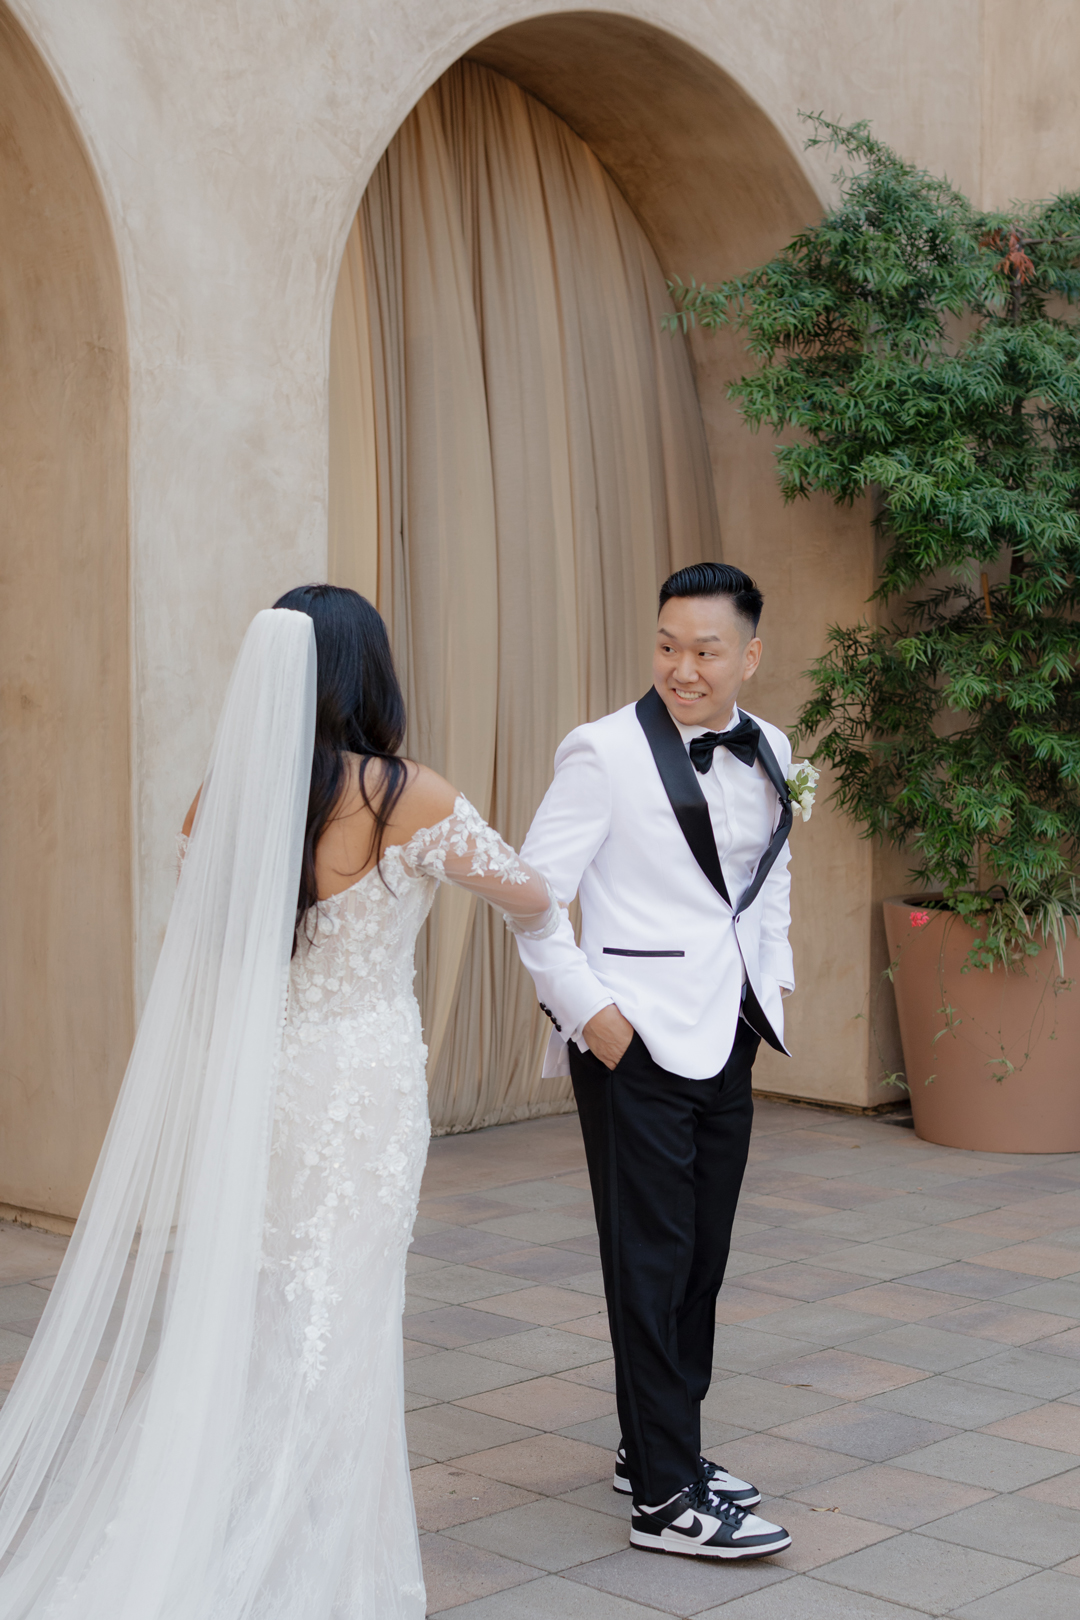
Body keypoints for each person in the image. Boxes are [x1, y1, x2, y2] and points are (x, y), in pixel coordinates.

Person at [0, 585, 557, 1619]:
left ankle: (246, 1510)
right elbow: (528, 891)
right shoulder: (406, 795)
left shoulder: (225, 800)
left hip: (265, 1085)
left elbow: (201, 954)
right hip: (360, 1085)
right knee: (343, 1312)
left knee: (263, 1311)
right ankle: (306, 1556)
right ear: (369, 673)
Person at [515, 562, 795, 1561]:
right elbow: (532, 893)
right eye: (668, 645)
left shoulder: (770, 746)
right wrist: (591, 1016)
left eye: (707, 650)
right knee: (650, 1260)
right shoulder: (602, 752)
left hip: (729, 1032)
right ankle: (668, 1501)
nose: (683, 666)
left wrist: (777, 982)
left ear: (748, 655)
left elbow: (769, 879)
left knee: (701, 1261)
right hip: (632, 1040)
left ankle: (654, 1446)